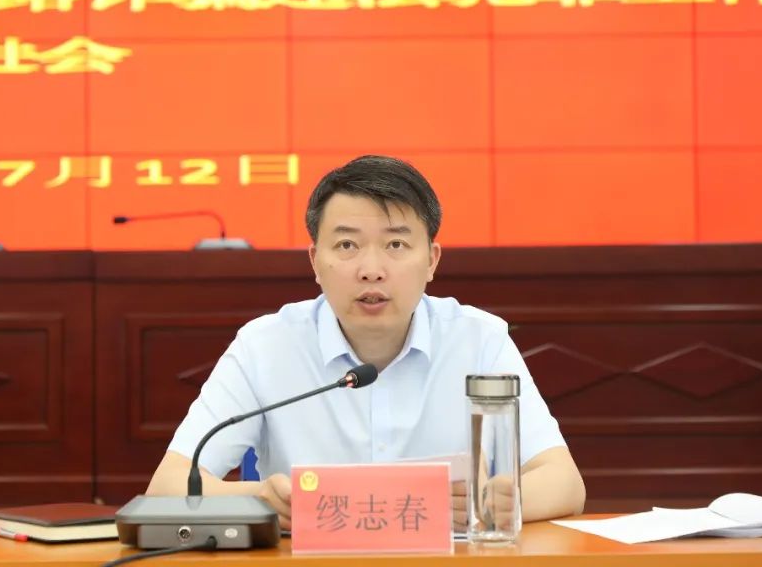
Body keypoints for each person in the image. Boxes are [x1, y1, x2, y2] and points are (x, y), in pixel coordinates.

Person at [146, 155, 585, 529]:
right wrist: (260, 501)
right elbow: (167, 487)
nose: (371, 269)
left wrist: (499, 502)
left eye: (396, 244)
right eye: (346, 245)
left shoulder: (479, 339)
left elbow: (564, 482)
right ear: (315, 261)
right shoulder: (265, 346)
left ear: (432, 260)